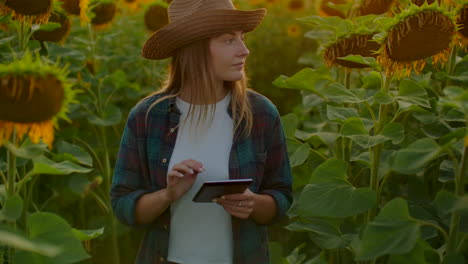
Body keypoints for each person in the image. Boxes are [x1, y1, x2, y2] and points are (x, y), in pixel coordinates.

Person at [110, 0, 293, 263]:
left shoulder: (261, 113)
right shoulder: (147, 117)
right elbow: (123, 206)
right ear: (195, 49)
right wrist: (168, 194)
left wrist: (255, 203)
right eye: (229, 40)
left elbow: (282, 196)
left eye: (242, 38)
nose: (245, 50)